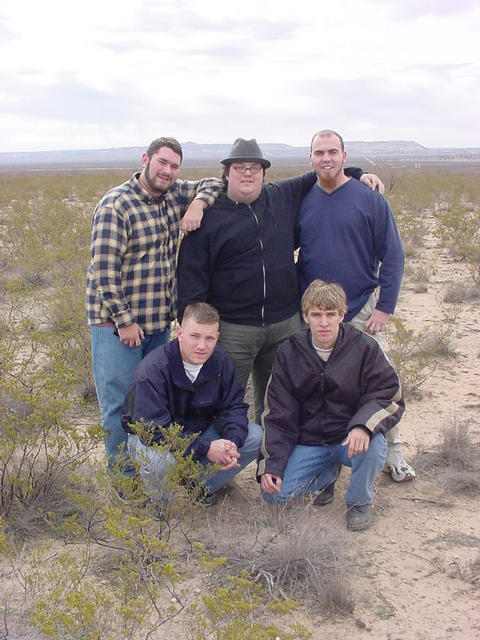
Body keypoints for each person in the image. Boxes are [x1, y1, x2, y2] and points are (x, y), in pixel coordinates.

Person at [177, 138, 382, 423]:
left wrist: (358, 174)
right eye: (240, 167)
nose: (248, 173)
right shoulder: (206, 217)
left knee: (279, 405)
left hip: (285, 325)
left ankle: (269, 464)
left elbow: (323, 170)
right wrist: (194, 329)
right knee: (221, 401)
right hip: (234, 329)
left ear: (263, 173)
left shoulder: (280, 196)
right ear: (226, 173)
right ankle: (219, 461)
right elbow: (190, 281)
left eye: (255, 167)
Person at [86, 137, 223, 476]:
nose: (168, 171)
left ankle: (151, 471)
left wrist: (198, 204)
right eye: (162, 162)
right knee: (120, 403)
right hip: (117, 327)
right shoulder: (116, 205)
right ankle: (125, 478)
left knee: (153, 404)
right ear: (145, 159)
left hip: (157, 327)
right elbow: (104, 271)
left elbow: (214, 183)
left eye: (175, 166)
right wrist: (124, 321)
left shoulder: (174, 195)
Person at [295, 129, 415, 483]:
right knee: (318, 386)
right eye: (319, 153)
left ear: (345, 156)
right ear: (311, 158)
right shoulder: (303, 199)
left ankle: (394, 455)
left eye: (333, 152)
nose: (326, 158)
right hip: (316, 313)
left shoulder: (370, 199)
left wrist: (384, 308)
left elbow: (393, 257)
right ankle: (324, 456)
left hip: (362, 307)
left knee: (380, 382)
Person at [257, 280, 404, 531]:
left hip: (347, 439)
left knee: (375, 444)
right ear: (305, 316)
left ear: (342, 315)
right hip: (308, 441)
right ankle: (326, 476)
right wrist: (272, 464)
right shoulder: (289, 352)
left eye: (330, 314)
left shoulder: (364, 347)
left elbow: (389, 395)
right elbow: (277, 414)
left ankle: (358, 501)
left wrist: (363, 426)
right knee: (274, 494)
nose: (323, 322)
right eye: (316, 315)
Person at [120, 302, 263, 506]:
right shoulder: (153, 370)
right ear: (179, 333)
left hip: (198, 433)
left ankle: (198, 485)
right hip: (151, 440)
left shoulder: (222, 363)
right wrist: (206, 449)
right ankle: (161, 505)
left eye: (209, 338)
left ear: (217, 339)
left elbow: (233, 407)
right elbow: (153, 432)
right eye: (194, 336)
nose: (202, 346)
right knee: (160, 463)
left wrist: (231, 443)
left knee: (254, 436)